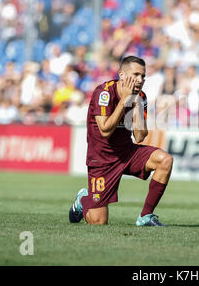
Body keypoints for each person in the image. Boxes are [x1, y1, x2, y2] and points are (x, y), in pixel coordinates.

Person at [69, 56, 173, 226]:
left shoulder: (141, 97)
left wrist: (136, 103)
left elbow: (140, 136)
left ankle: (146, 216)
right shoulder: (103, 93)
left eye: (143, 76)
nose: (140, 80)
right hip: (102, 159)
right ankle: (84, 199)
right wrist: (124, 101)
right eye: (136, 75)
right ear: (122, 75)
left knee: (165, 160)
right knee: (98, 222)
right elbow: (105, 130)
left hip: (126, 153)